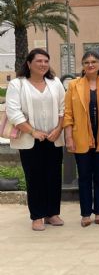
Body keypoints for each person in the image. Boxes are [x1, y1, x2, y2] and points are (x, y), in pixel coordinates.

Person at [5, 48, 66, 231]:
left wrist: (58, 128)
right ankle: (37, 216)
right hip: (30, 139)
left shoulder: (55, 83)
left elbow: (64, 108)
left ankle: (52, 213)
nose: (43, 64)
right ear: (29, 64)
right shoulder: (18, 84)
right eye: (39, 61)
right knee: (35, 177)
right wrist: (33, 131)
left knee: (54, 176)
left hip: (53, 138)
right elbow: (13, 112)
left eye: (46, 61)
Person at [63, 51, 99, 227]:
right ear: (82, 66)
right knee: (84, 176)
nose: (90, 65)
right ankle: (85, 213)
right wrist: (68, 137)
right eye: (86, 62)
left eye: (94, 62)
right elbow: (68, 113)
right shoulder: (73, 85)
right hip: (81, 138)